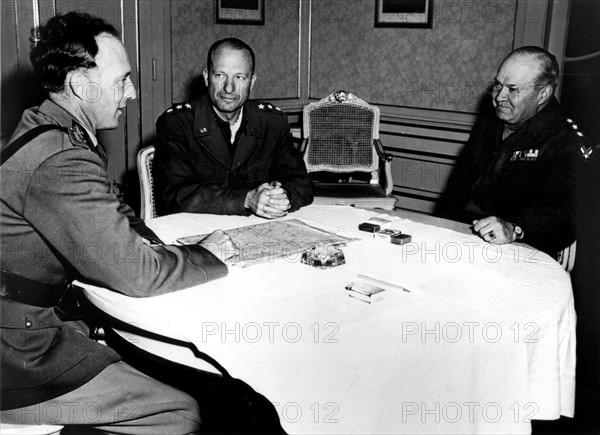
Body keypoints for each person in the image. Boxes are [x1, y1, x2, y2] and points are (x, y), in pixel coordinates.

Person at [0, 12, 240, 434]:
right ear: (79, 85)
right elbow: (136, 275)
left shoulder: (48, 129)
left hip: (30, 325)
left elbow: (111, 205)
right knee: (181, 410)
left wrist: (144, 239)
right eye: (122, 79)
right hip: (17, 352)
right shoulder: (61, 159)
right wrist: (206, 253)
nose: (131, 92)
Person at [436, 46, 594, 257]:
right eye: (498, 85)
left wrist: (515, 228)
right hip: (464, 240)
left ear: (543, 94)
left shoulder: (566, 140)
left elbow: (569, 216)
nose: (499, 97)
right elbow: (456, 190)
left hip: (522, 249)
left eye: (512, 89)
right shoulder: (489, 124)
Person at [153, 38, 314, 218]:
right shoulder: (177, 124)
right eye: (220, 75)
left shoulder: (272, 123)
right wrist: (247, 199)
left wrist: (283, 195)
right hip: (198, 230)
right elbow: (175, 195)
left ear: (252, 82)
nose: (229, 88)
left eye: (239, 77)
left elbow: (302, 183)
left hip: (257, 226)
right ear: (207, 78)